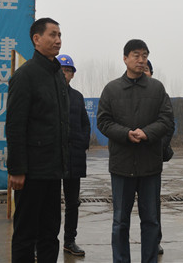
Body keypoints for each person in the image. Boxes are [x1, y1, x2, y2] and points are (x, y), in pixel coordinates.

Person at [97, 39, 174, 263]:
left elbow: (166, 119)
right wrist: (126, 133)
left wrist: (147, 133)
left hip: (150, 165)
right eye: (136, 55)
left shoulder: (156, 88)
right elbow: (103, 121)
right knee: (120, 221)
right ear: (125, 58)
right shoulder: (111, 89)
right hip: (121, 165)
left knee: (150, 220)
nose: (141, 60)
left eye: (144, 56)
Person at [6, 17, 70, 263]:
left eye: (59, 35)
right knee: (25, 233)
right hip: (31, 172)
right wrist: (17, 169)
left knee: (50, 232)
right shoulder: (25, 76)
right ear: (36, 39)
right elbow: (15, 125)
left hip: (53, 170)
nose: (58, 40)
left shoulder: (57, 76)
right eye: (52, 35)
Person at [57, 54, 91, 256]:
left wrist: (82, 143)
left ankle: (70, 241)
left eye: (68, 70)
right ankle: (44, 241)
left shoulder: (77, 97)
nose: (65, 74)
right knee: (49, 203)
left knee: (72, 203)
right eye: (61, 70)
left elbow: (85, 124)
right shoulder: (48, 94)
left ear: (72, 75)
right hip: (53, 158)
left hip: (74, 157)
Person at [143, 59, 175, 255]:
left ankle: (155, 241)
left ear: (151, 73)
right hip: (129, 158)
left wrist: (157, 147)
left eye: (146, 69)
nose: (143, 72)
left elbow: (169, 125)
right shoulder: (123, 93)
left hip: (153, 158)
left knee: (152, 204)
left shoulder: (161, 95)